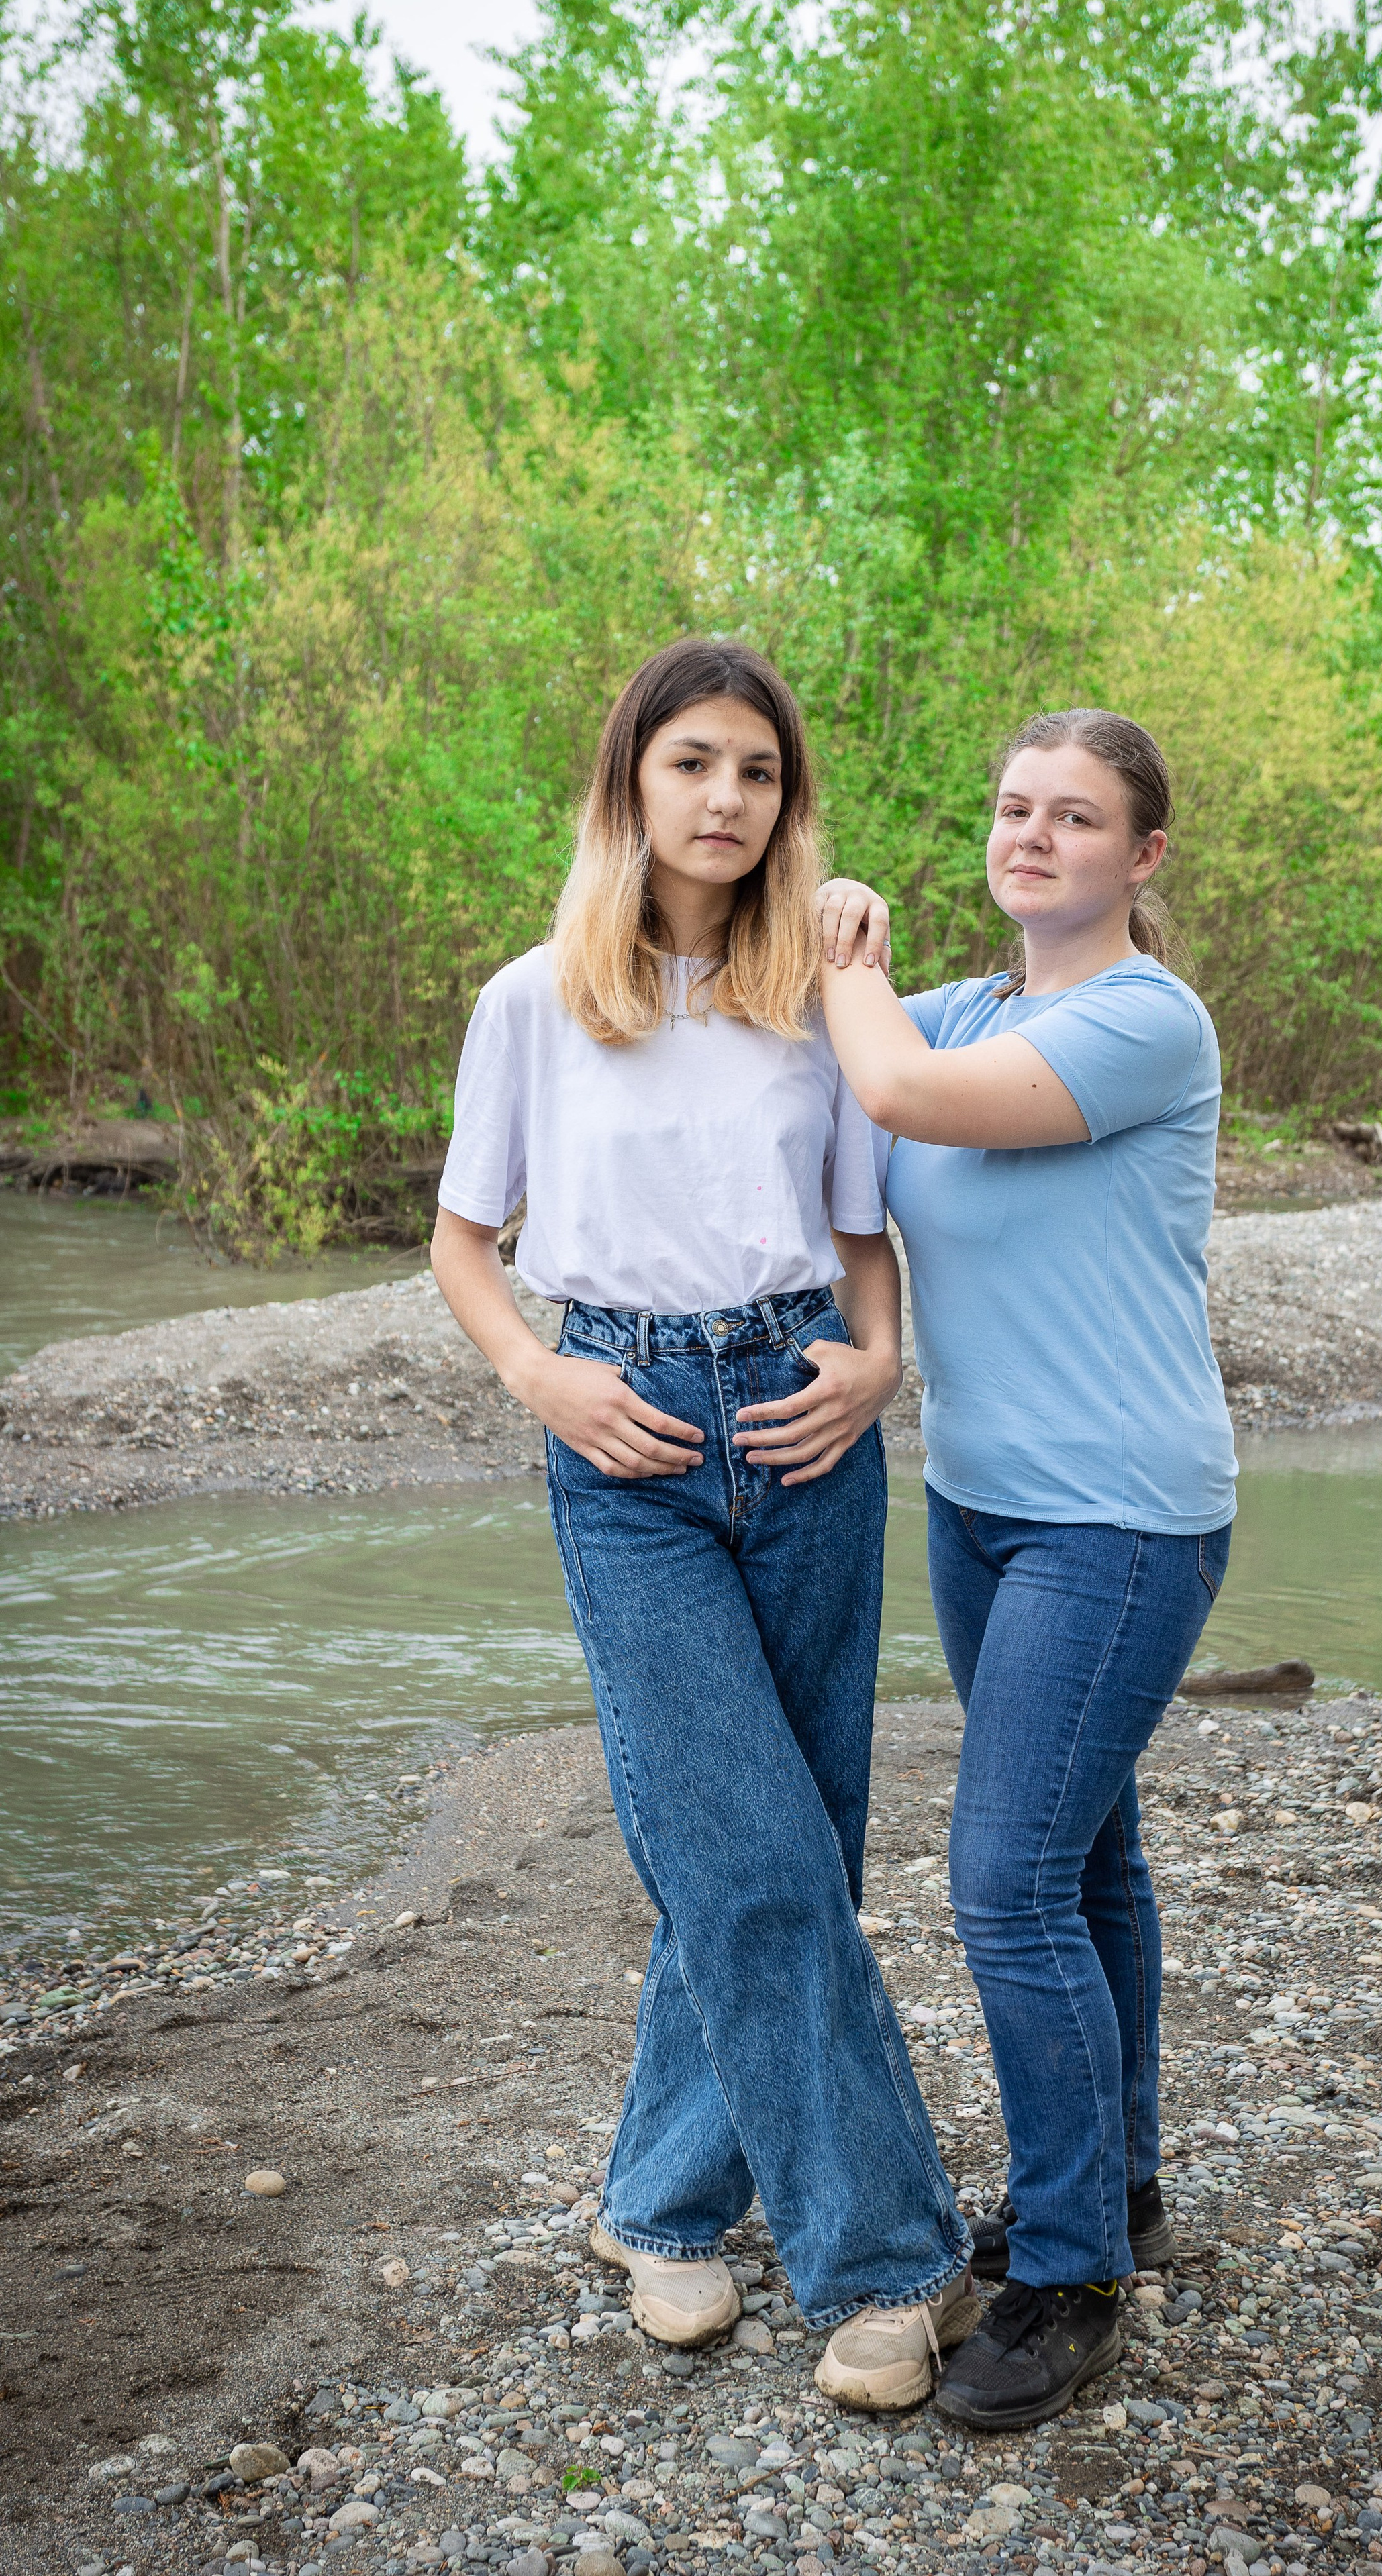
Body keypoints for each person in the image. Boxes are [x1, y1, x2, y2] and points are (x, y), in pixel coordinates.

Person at [431, 636, 975, 2412]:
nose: (728, 798)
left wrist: (879, 1362)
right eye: (694, 766)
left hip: (807, 1421)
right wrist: (543, 1379)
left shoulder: (815, 998)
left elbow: (867, 1230)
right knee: (742, 1856)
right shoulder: (533, 1000)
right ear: (632, 786)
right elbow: (462, 1239)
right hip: (627, 1440)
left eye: (759, 771)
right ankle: (891, 2264)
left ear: (785, 801)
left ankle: (662, 2203)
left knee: (783, 1848)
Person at [815, 706, 1238, 2430]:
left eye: (1074, 817)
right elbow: (813, 1046)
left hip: (1120, 1519)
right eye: (1010, 807)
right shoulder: (973, 1003)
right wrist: (810, 912)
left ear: (1139, 859)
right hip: (982, 1507)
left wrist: (848, 943)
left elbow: (892, 1091)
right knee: (1087, 1863)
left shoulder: (1146, 1019)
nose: (1032, 835)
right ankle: (1114, 2187)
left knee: (1000, 1885)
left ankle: (1066, 2275)